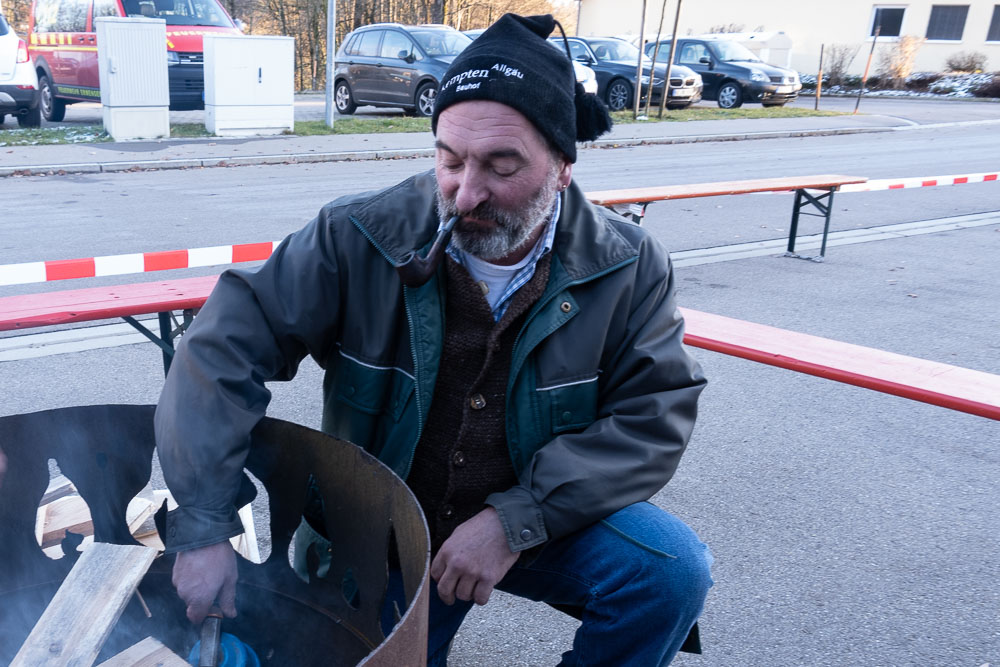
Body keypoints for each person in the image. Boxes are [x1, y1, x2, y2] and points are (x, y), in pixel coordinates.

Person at [155, 13, 711, 665]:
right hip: (385, 531)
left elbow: (655, 414)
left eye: (501, 166)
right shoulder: (357, 235)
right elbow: (222, 350)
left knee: (671, 573)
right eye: (450, 159)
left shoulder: (626, 264)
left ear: (562, 166)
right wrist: (203, 524)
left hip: (537, 519)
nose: (466, 192)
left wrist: (515, 520)